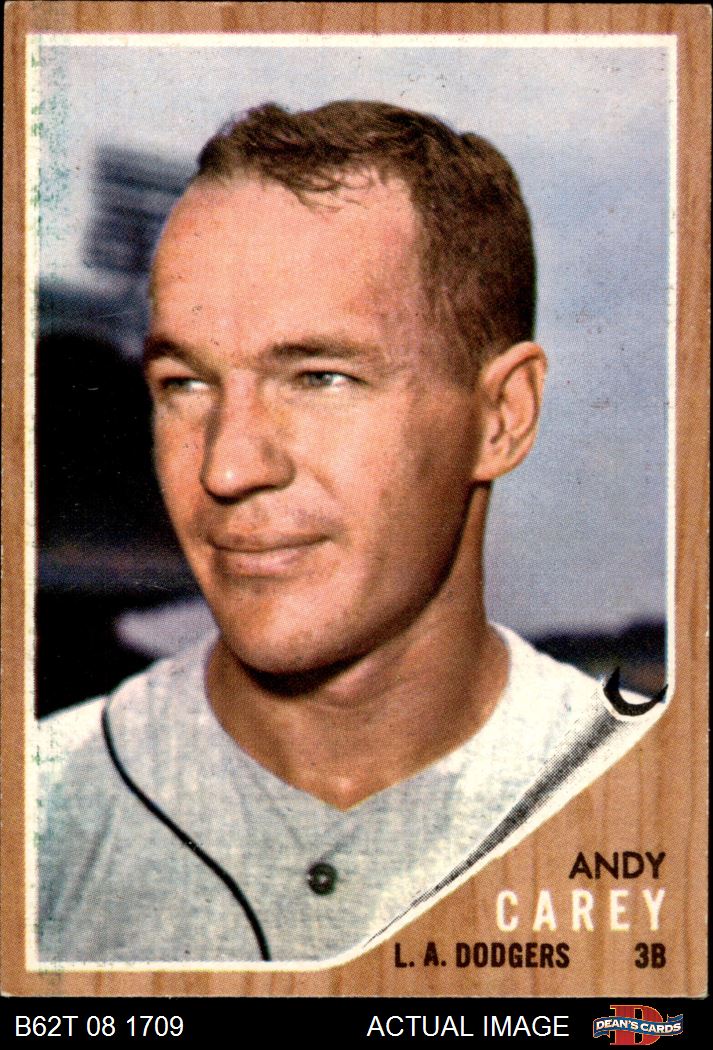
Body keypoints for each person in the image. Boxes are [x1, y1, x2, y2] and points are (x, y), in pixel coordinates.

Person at [37, 101, 665, 964]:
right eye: (184, 383)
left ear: (501, 417)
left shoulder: (658, 803)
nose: (227, 467)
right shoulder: (36, 807)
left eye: (320, 377)